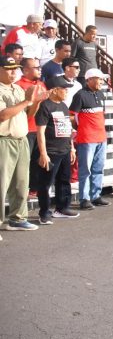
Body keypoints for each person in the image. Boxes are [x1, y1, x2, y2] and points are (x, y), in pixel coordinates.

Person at [0, 55, 44, 235]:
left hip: (21, 139)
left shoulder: (17, 88)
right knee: (2, 184)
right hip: (4, 140)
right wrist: (26, 101)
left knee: (21, 183)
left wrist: (36, 101)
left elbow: (28, 114)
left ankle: (17, 218)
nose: (13, 72)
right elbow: (2, 115)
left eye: (15, 69)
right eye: (9, 69)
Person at [34, 75, 79, 223]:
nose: (66, 92)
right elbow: (40, 131)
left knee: (64, 180)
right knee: (46, 183)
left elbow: (68, 128)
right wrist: (43, 153)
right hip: (51, 151)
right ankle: (44, 213)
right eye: (64, 89)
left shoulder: (64, 106)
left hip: (65, 149)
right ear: (54, 90)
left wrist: (71, 148)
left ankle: (62, 208)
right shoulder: (45, 106)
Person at [69, 68, 112, 210]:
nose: (101, 81)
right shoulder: (80, 95)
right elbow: (71, 116)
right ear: (90, 79)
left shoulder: (101, 94)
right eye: (99, 79)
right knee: (85, 170)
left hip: (101, 138)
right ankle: (84, 198)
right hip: (87, 138)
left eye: (101, 79)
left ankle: (96, 195)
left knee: (98, 168)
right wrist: (80, 129)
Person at [17, 58, 47, 193]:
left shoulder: (41, 84)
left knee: (38, 160)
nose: (39, 70)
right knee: (24, 162)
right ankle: (21, 189)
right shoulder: (19, 85)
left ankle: (34, 188)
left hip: (41, 129)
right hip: (26, 129)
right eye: (36, 67)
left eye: (39, 67)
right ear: (25, 70)